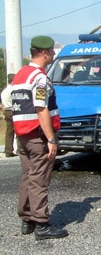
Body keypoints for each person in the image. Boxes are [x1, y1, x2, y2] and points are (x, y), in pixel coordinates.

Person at [11, 36, 68, 240]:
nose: (53, 54)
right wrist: (51, 139)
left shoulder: (21, 75)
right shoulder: (39, 77)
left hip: (23, 135)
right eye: (52, 51)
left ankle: (27, 220)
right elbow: (41, 108)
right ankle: (42, 224)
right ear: (44, 53)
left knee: (28, 176)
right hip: (37, 136)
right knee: (39, 179)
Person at [1, 73, 16, 157]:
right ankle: (21, 149)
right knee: (18, 131)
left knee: (9, 132)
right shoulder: (13, 90)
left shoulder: (4, 91)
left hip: (6, 111)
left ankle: (8, 150)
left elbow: (2, 105)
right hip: (13, 111)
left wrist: (3, 114)